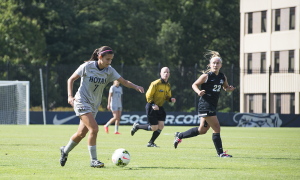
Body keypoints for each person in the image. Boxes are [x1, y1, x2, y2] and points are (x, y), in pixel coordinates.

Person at [60, 46, 144, 168]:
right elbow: (71, 79)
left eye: (111, 60)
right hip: (81, 101)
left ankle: (65, 151)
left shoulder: (109, 70)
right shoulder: (87, 66)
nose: (109, 62)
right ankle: (93, 160)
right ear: (100, 57)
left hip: (94, 105)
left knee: (81, 134)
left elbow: (124, 82)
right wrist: (69, 96)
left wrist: (136, 86)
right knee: (94, 129)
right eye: (107, 59)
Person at [173, 50, 236, 158]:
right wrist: (198, 92)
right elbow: (194, 85)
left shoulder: (222, 77)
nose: (215, 65)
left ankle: (180, 135)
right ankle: (220, 153)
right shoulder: (206, 76)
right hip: (205, 105)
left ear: (220, 65)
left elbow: (225, 88)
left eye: (217, 63)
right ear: (210, 65)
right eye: (214, 63)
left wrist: (229, 89)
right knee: (216, 127)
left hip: (212, 105)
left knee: (202, 130)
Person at [130, 67, 176, 147]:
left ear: (169, 74)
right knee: (154, 127)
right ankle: (137, 126)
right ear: (160, 74)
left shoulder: (168, 85)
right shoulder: (155, 83)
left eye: (167, 72)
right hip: (151, 106)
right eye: (164, 72)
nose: (166, 74)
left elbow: (167, 97)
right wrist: (153, 105)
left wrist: (170, 99)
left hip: (160, 107)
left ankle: (150, 143)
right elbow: (148, 95)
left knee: (161, 126)